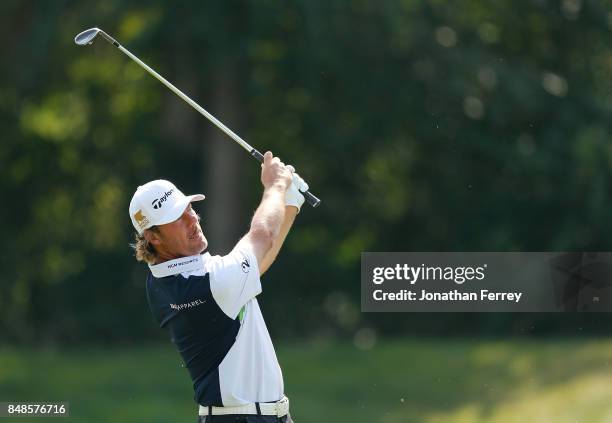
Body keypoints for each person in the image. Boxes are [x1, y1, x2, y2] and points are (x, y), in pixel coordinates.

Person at [128, 152, 308, 422]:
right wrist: (276, 186)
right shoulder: (206, 283)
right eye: (177, 217)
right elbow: (263, 235)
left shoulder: (164, 281)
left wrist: (289, 204)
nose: (192, 220)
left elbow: (252, 266)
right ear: (153, 237)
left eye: (188, 208)